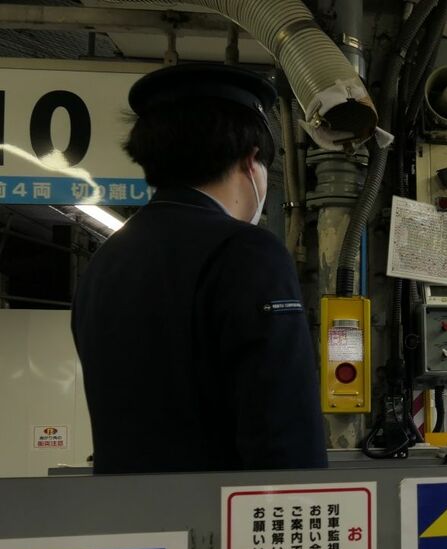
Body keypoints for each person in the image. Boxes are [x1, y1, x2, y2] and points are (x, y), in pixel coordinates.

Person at [72, 63, 327, 474]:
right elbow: (284, 432)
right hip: (221, 523)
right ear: (252, 161)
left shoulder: (106, 261)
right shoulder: (247, 251)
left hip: (129, 520)